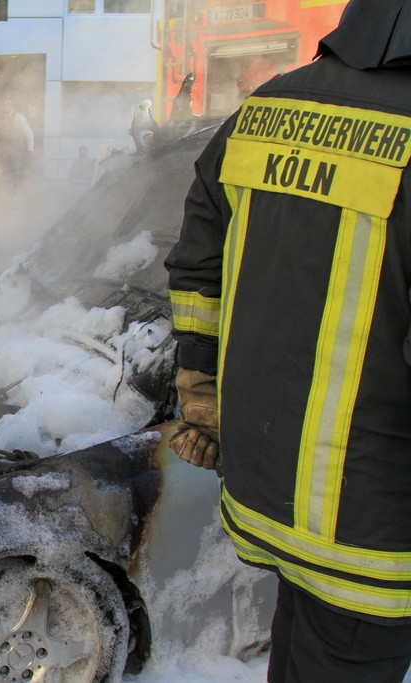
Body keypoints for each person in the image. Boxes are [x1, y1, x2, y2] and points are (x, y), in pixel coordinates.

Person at [165, 1, 411, 680]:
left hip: (265, 500)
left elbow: (196, 271)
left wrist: (201, 396)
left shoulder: (264, 110)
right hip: (373, 539)